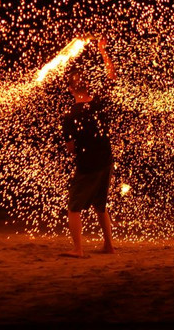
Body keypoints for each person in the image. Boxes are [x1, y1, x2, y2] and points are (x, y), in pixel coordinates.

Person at [60, 37, 117, 257]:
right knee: (100, 205)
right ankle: (109, 246)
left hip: (88, 166)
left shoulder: (71, 116)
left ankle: (78, 249)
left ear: (70, 89)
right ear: (88, 85)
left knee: (74, 207)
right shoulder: (99, 102)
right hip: (106, 161)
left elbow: (71, 148)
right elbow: (111, 76)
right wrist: (103, 50)